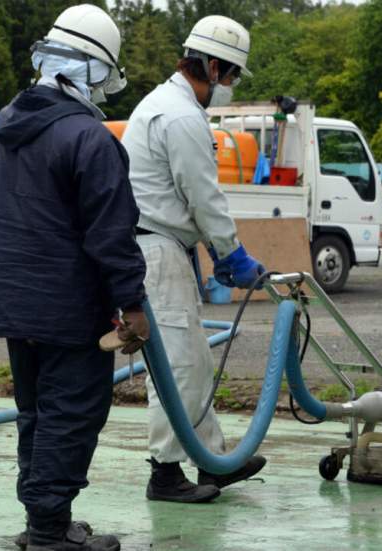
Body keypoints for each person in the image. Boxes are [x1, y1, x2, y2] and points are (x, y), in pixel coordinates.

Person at [0, 5, 147, 550]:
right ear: (90, 70)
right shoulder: (90, 139)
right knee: (71, 413)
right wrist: (132, 306)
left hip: (11, 302)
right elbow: (112, 234)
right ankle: (47, 530)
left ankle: (46, 517)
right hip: (70, 308)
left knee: (36, 411)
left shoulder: (1, 125)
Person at [121, 15, 267, 504]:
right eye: (229, 76)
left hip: (164, 245)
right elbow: (203, 197)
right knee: (177, 367)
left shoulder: (168, 106)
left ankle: (212, 463)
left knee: (195, 362)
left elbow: (186, 199)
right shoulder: (181, 117)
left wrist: (213, 250)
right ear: (209, 65)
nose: (228, 86)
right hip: (155, 250)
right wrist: (232, 253)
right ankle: (165, 474)